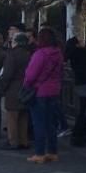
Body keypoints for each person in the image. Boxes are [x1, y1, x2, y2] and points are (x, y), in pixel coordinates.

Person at [22, 27, 63, 163]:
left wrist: (27, 84)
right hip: (54, 90)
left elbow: (31, 74)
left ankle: (39, 153)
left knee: (38, 123)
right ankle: (52, 152)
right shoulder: (58, 53)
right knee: (50, 123)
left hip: (39, 91)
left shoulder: (40, 54)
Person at [0, 32, 32, 150]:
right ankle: (24, 140)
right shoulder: (29, 54)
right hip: (27, 87)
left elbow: (7, 73)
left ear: (16, 42)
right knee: (24, 115)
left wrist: (2, 87)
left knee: (12, 115)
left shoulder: (12, 55)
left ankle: (13, 141)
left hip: (13, 87)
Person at [65, 36, 86, 147]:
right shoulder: (83, 53)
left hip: (79, 83)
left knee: (82, 110)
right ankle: (78, 135)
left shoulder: (73, 54)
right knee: (84, 111)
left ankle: (81, 134)